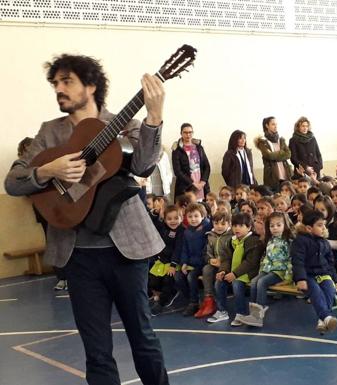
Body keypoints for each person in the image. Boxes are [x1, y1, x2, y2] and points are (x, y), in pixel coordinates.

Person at [4, 54, 169, 384]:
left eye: (67, 81)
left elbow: (143, 167)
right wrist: (47, 170)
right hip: (77, 254)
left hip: (126, 252)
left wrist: (153, 116)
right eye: (55, 83)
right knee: (96, 351)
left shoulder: (126, 125)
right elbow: (13, 181)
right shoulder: (51, 132)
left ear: (90, 86)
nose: (59, 89)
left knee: (144, 339)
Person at [239, 212, 294, 327]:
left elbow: (290, 260)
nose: (275, 228)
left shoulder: (287, 241)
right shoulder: (270, 240)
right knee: (254, 282)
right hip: (267, 269)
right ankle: (253, 314)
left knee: (262, 283)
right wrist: (261, 272)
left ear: (285, 225)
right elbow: (266, 258)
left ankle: (258, 316)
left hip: (279, 272)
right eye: (272, 226)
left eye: (278, 225)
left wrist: (288, 279)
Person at [208, 213, 263, 326]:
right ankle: (222, 311)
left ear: (248, 227)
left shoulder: (254, 241)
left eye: (241, 225)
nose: (236, 228)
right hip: (234, 272)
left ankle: (241, 313)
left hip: (249, 273)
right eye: (234, 225)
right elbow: (227, 259)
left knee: (237, 284)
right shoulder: (232, 241)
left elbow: (250, 262)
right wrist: (223, 271)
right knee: (219, 282)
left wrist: (235, 274)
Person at [291, 210, 337, 334]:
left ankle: (322, 320)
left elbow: (330, 262)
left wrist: (335, 279)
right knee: (316, 292)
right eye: (319, 225)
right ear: (308, 228)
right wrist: (301, 279)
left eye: (324, 225)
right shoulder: (300, 241)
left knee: (329, 289)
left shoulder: (324, 242)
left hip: (323, 274)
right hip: (307, 276)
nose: (323, 228)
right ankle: (327, 317)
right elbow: (298, 261)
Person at [175, 203, 212, 316]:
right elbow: (184, 249)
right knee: (178, 276)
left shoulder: (207, 227)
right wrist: (184, 262)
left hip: (202, 263)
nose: (193, 219)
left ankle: (194, 302)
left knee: (191, 277)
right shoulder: (187, 232)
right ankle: (191, 300)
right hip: (190, 262)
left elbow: (207, 249)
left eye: (196, 216)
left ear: (202, 216)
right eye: (190, 217)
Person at [195, 211, 233, 319]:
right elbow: (206, 253)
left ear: (229, 224)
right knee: (206, 268)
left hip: (227, 267)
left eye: (223, 224)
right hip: (215, 265)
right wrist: (210, 260)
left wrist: (223, 263)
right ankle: (208, 300)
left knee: (218, 282)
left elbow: (233, 255)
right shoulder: (210, 235)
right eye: (216, 223)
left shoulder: (232, 237)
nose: (219, 226)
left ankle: (221, 308)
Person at [149, 205, 184, 316]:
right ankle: (163, 294)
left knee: (167, 281)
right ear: (165, 219)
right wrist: (156, 212)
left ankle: (161, 303)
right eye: (169, 219)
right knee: (152, 281)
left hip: (173, 263)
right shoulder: (163, 226)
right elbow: (153, 223)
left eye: (176, 218)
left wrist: (173, 265)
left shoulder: (181, 231)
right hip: (161, 262)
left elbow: (178, 249)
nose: (173, 221)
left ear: (181, 218)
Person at [172, 122, 211, 199]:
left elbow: (207, 166)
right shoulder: (177, 150)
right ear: (181, 133)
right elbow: (178, 171)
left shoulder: (199, 148)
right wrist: (192, 183)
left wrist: (203, 182)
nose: (188, 135)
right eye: (185, 132)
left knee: (202, 207)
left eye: (190, 132)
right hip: (186, 186)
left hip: (201, 185)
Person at [255, 116, 292, 191]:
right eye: (273, 124)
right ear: (267, 126)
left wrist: (276, 154)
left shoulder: (281, 140)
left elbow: (288, 154)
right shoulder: (263, 142)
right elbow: (269, 156)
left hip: (285, 175)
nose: (276, 126)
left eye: (276, 124)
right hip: (272, 177)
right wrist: (282, 153)